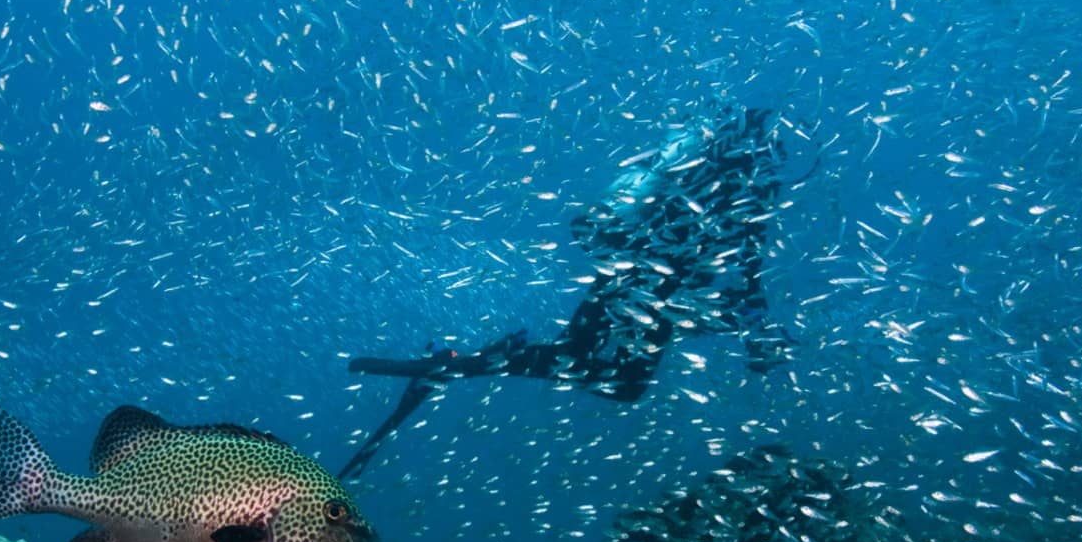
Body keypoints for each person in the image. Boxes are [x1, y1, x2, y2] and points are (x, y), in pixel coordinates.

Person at [338, 105, 798, 480]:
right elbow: (748, 267)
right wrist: (751, 326)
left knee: (572, 351)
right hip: (656, 289)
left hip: (624, 277)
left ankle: (462, 366)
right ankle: (464, 366)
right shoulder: (746, 189)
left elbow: (612, 227)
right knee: (625, 384)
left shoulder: (687, 171)